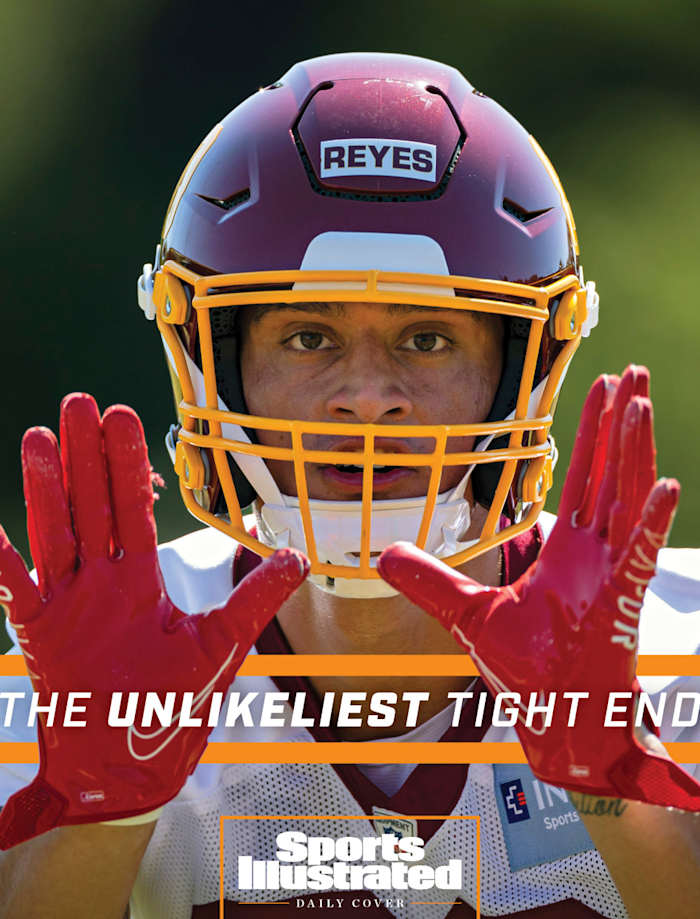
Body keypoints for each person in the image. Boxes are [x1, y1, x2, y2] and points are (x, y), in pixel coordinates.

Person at [0, 52, 698, 919]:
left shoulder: (676, 653)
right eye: (308, 337)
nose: (368, 398)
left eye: (428, 339)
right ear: (219, 367)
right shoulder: (102, 664)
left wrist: (615, 783)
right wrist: (103, 808)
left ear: (521, 368)